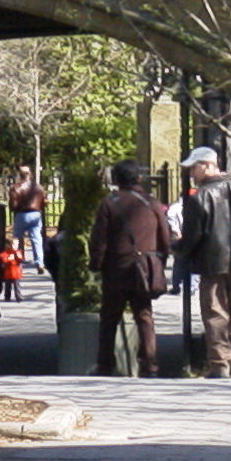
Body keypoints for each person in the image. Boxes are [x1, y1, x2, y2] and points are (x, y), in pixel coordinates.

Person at [177, 146, 231, 378]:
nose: (191, 174)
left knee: (215, 312)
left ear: (207, 165)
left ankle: (220, 363)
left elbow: (192, 236)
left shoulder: (199, 197)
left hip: (211, 263)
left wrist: (179, 249)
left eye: (193, 168)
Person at [88, 159, 172, 377]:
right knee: (144, 316)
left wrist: (96, 264)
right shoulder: (152, 203)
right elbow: (165, 237)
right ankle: (150, 365)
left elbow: (100, 239)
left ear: (115, 180)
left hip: (116, 268)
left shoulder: (109, 203)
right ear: (139, 178)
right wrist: (159, 262)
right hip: (144, 268)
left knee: (109, 317)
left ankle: (105, 364)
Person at [8, 166, 46, 272]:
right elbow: (44, 201)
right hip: (35, 214)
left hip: (21, 214)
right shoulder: (38, 187)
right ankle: (39, 263)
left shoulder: (16, 187)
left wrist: (13, 209)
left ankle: (15, 262)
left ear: (20, 175)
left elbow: (13, 204)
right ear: (30, 174)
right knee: (36, 239)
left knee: (17, 238)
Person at [0, 237, 22, 301]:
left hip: (16, 273)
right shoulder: (5, 253)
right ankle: (7, 296)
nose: (16, 246)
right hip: (8, 273)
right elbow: (2, 259)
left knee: (17, 286)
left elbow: (20, 260)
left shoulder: (17, 252)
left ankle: (18, 296)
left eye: (17, 245)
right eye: (14, 244)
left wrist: (19, 256)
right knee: (8, 286)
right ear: (8, 245)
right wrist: (8, 259)